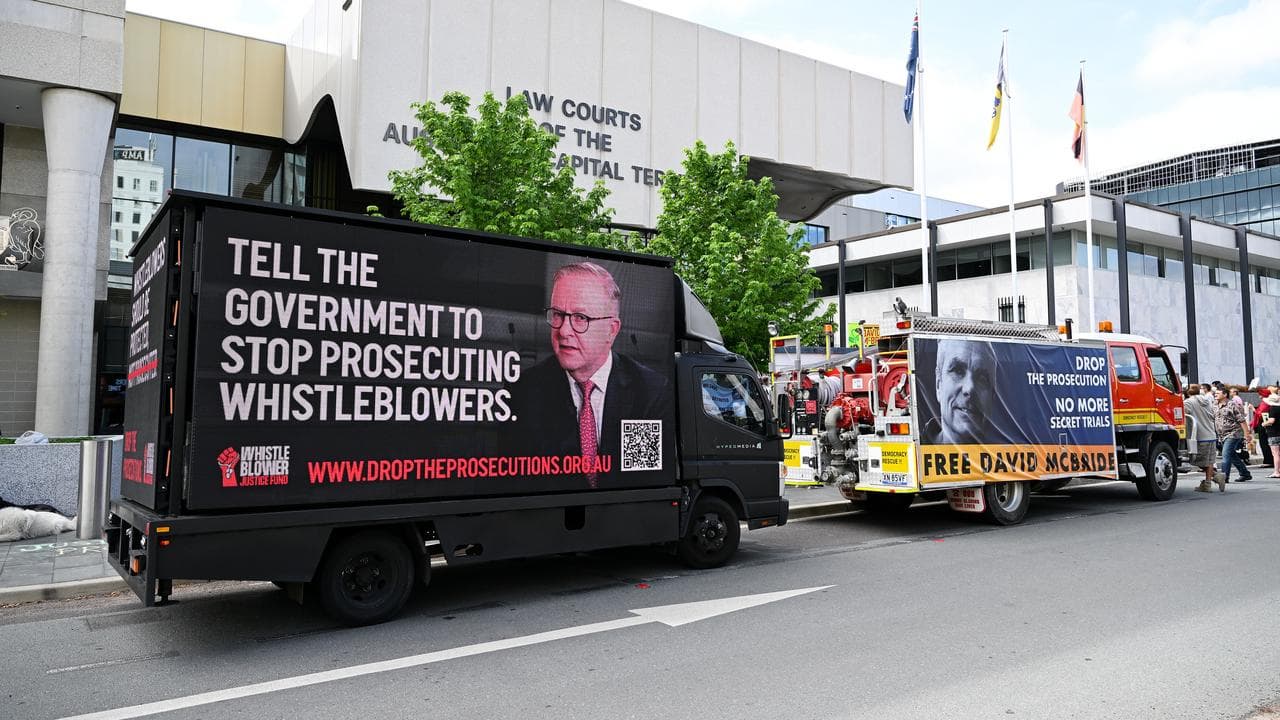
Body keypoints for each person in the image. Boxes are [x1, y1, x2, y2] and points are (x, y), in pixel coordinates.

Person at [511, 261, 669, 487]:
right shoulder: (526, 391)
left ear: (611, 330)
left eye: (580, 318)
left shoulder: (649, 392)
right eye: (557, 315)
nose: (564, 331)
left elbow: (641, 481)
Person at [923, 338, 996, 444]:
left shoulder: (1005, 456)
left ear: (992, 396)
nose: (969, 388)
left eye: (982, 379)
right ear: (938, 384)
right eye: (958, 371)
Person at [1183, 384, 1221, 492]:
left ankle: (1215, 478)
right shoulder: (1207, 401)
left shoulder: (1188, 402)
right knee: (1209, 461)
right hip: (1211, 433)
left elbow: (1181, 415)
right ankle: (1208, 483)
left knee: (1197, 461)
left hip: (1199, 435)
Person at [1213, 385, 1253, 485]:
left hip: (1233, 433)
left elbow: (1242, 420)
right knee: (1232, 455)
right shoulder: (1214, 405)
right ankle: (1245, 473)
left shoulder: (1232, 405)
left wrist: (1247, 434)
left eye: (1218, 393)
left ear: (1225, 394)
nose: (1215, 395)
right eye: (1215, 393)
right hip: (1221, 435)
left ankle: (1224, 477)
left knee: (1226, 455)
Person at [1263, 388, 1280, 478]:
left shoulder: (1273, 409)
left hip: (1273, 433)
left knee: (1275, 453)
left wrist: (1264, 423)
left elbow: (1271, 421)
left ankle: (1276, 471)